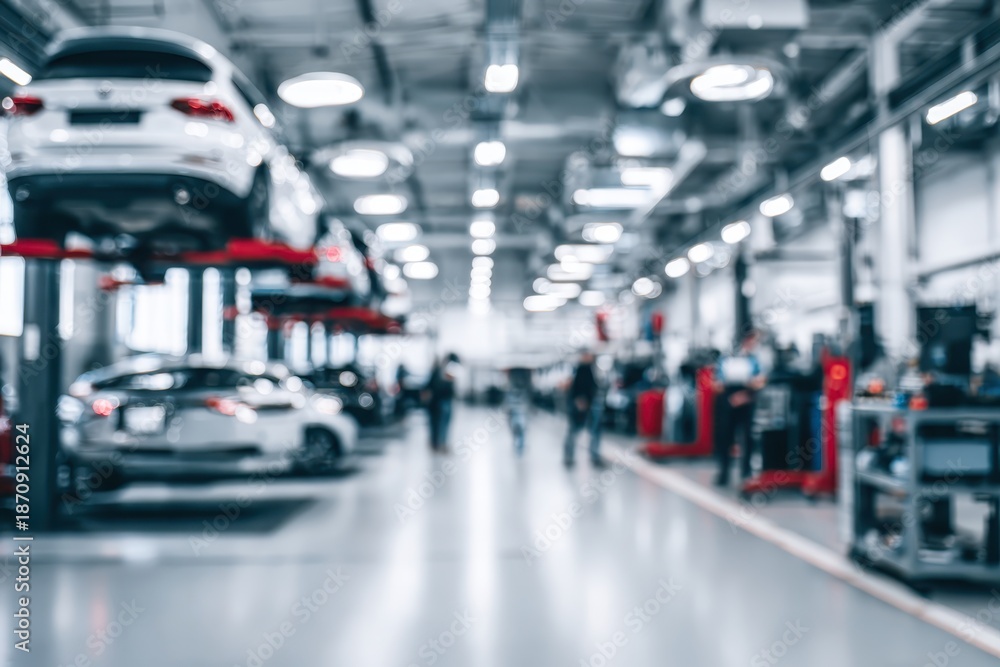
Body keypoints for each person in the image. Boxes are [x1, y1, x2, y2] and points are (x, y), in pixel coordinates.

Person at [713, 330, 766, 486]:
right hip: (728, 402)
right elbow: (717, 383)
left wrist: (747, 392)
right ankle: (724, 471)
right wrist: (730, 397)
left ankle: (746, 471)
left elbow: (761, 380)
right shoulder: (725, 360)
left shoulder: (754, 360)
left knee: (747, 437)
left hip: (747, 400)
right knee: (725, 437)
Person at [563, 352, 603, 467]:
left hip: (589, 404)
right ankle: (569, 457)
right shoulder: (581, 369)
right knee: (574, 431)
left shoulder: (591, 368)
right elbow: (577, 388)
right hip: (581, 404)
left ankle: (593, 456)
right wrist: (579, 401)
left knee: (593, 431)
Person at [425, 353, 460, 452]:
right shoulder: (440, 372)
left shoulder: (444, 371)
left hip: (443, 401)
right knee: (441, 424)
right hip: (441, 401)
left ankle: (440, 443)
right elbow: (435, 387)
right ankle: (440, 444)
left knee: (441, 424)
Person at [506, 367, 532, 456]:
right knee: (519, 427)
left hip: (517, 407)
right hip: (519, 407)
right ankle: (519, 445)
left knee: (518, 427)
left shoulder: (514, 374)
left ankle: (519, 445)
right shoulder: (525, 373)